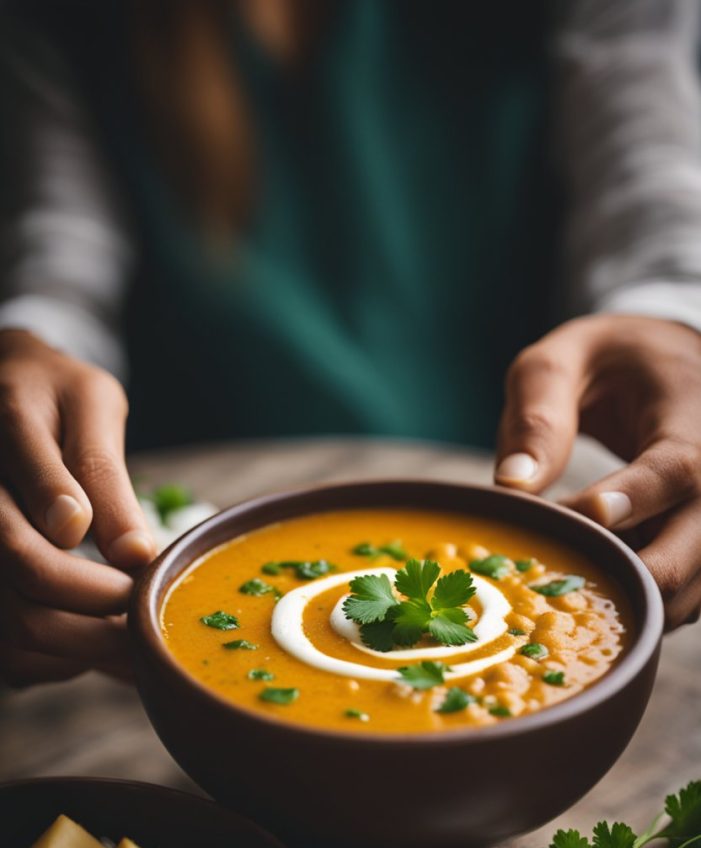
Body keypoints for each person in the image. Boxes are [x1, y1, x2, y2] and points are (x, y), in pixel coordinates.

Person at [0, 0, 700, 689]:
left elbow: (647, 169)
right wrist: (29, 353)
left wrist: (671, 317)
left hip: (504, 489)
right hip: (168, 538)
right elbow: (58, 254)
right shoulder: (60, 19)